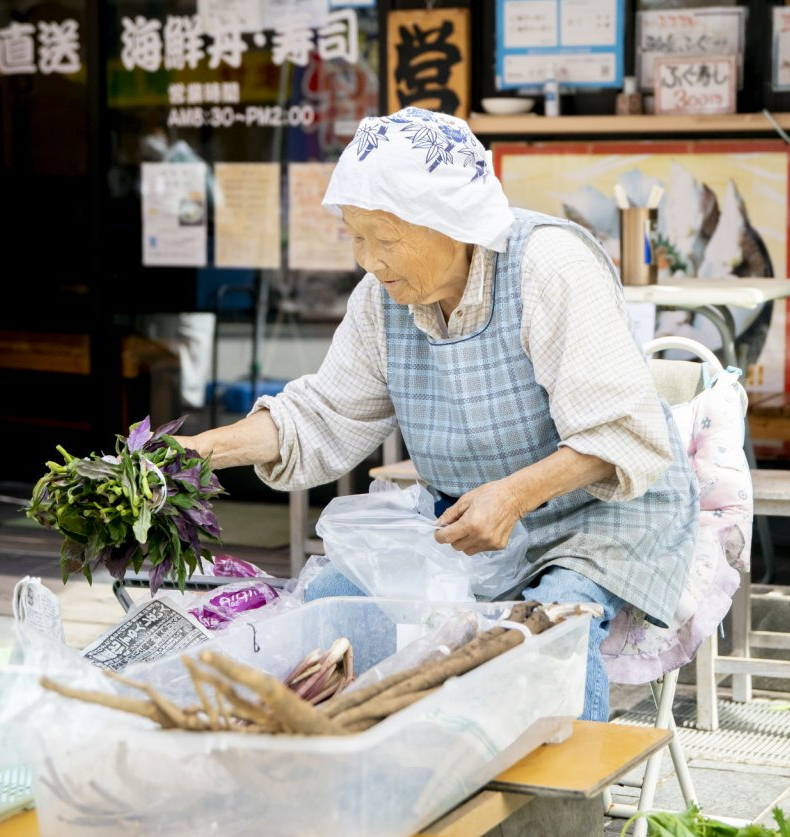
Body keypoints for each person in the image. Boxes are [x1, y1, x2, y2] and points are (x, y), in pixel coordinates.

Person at [179, 107, 699, 722]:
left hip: (597, 518)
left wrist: (513, 495)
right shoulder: (383, 297)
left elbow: (620, 432)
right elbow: (322, 415)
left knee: (553, 626)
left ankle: (563, 803)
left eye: (386, 239)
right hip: (468, 524)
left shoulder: (547, 265)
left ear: (453, 224)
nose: (368, 260)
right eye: (355, 236)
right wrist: (190, 456)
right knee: (329, 604)